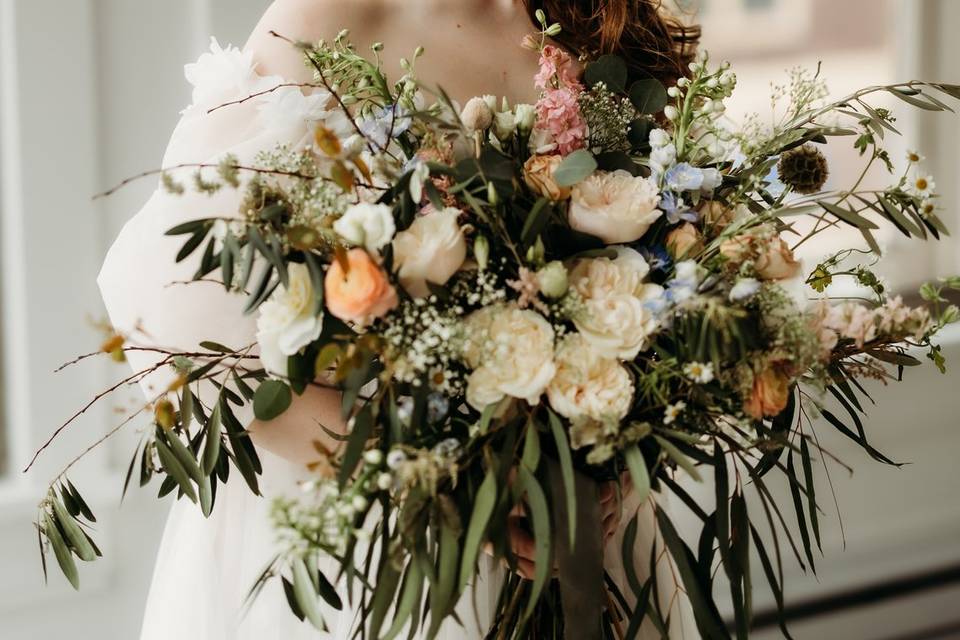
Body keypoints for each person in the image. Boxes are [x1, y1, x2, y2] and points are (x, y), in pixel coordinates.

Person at [98, 1, 699, 638]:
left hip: (582, 533)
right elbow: (178, 332)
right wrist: (455, 491)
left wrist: (617, 457)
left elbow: (666, 273)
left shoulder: (601, 21)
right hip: (377, 550)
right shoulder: (325, 17)